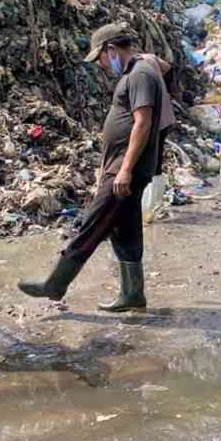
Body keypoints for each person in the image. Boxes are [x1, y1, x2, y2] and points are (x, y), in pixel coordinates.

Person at [19, 23, 169, 312]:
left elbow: (142, 122)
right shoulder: (137, 71)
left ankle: (56, 283)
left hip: (125, 168)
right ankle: (132, 293)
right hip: (123, 165)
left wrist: (124, 169)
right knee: (125, 228)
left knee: (93, 223)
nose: (100, 64)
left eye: (99, 57)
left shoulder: (139, 73)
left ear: (110, 49)